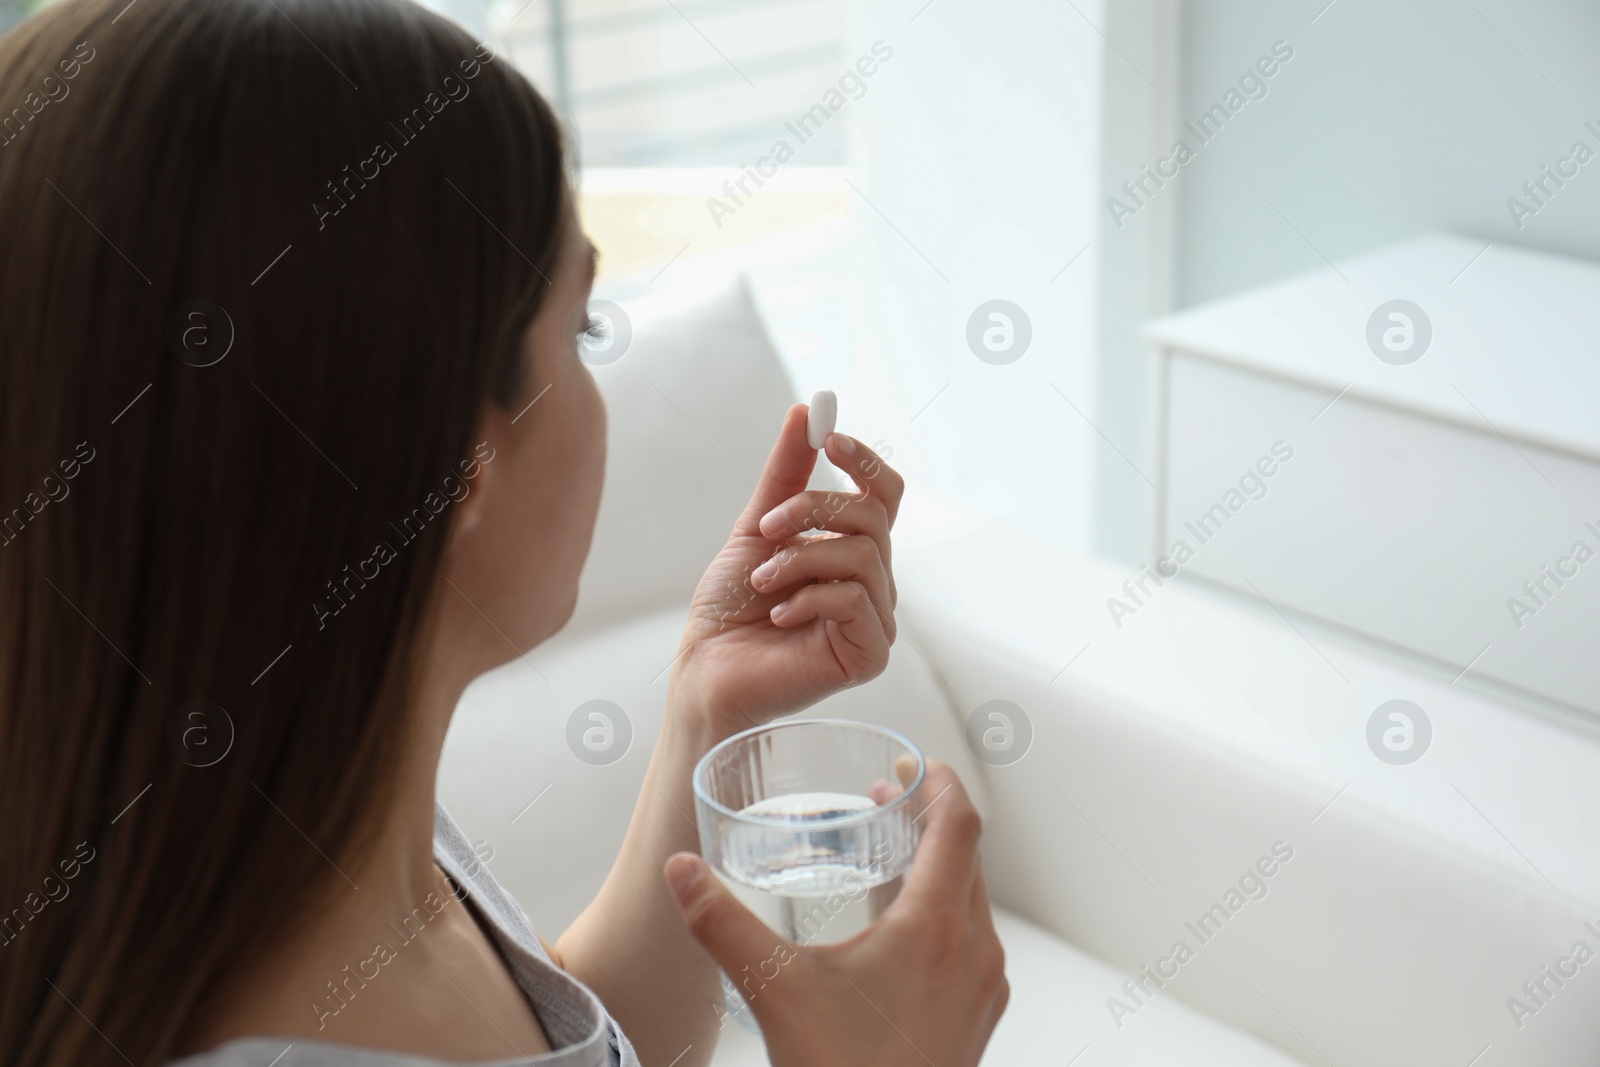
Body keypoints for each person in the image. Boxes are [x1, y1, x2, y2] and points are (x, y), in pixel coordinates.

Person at [0, 1, 1007, 1065]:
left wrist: (706, 712)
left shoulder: (294, 825)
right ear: (457, 466)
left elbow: (558, 1034)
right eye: (581, 327)